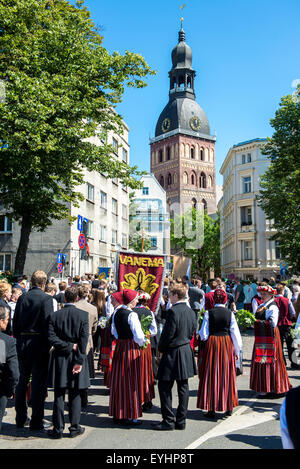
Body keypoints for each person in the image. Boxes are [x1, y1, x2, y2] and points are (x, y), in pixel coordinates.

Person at [13, 270, 54, 430]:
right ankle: (37, 420)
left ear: (31, 281)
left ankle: (20, 417)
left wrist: (20, 338)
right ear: (44, 283)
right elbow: (48, 323)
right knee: (38, 383)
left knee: (22, 381)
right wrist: (49, 343)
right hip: (39, 343)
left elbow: (15, 323)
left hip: (23, 341)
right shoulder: (46, 299)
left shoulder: (23, 298)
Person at [153, 283, 197, 431]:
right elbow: (192, 332)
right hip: (185, 349)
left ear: (176, 296)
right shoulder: (191, 311)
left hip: (173, 351)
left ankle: (168, 420)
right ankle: (181, 420)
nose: (169, 297)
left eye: (170, 295)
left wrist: (161, 348)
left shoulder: (173, 311)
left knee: (164, 386)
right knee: (183, 386)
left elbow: (168, 334)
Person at [47, 286, 90, 439]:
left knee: (59, 394)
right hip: (75, 356)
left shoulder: (55, 315)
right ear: (77, 299)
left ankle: (58, 429)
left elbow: (51, 338)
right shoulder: (83, 315)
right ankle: (74, 427)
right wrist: (77, 357)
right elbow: (83, 340)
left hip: (60, 357)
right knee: (75, 393)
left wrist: (67, 346)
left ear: (65, 298)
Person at [197, 289, 242, 419]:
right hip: (226, 343)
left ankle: (211, 408)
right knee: (226, 374)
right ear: (225, 300)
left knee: (211, 374)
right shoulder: (230, 313)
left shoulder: (208, 313)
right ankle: (228, 406)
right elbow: (235, 333)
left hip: (213, 344)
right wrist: (236, 350)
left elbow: (204, 334)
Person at [108, 289, 147, 426]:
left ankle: (118, 413)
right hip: (131, 349)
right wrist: (143, 343)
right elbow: (139, 336)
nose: (137, 301)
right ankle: (130, 415)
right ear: (131, 301)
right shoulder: (132, 315)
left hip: (120, 348)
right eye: (136, 299)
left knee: (119, 380)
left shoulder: (116, 313)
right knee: (132, 381)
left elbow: (114, 332)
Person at [250, 284, 292, 398]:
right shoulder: (263, 305)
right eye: (261, 294)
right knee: (262, 360)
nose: (262, 296)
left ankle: (274, 388)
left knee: (270, 360)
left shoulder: (273, 307)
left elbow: (273, 323)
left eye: (264, 294)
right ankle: (265, 387)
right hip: (262, 336)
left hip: (270, 336)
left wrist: (256, 323)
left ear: (271, 294)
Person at [133, 291, 157, 412]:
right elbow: (154, 331)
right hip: (145, 343)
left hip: (133, 344)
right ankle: (147, 399)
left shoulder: (132, 312)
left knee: (134, 371)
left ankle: (135, 398)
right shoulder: (150, 312)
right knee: (146, 371)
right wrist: (145, 333)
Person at [0, 306, 19, 431]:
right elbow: (13, 372)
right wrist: (10, 389)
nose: (8, 322)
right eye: (7, 319)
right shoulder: (6, 341)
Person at [76, 285, 98, 382]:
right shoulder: (93, 308)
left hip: (75, 337)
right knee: (86, 362)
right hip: (88, 337)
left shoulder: (75, 306)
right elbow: (94, 327)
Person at [275, 283, 297, 369]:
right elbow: (293, 313)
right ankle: (294, 362)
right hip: (287, 324)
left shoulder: (273, 301)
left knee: (279, 344)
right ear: (283, 291)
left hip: (277, 325)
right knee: (290, 344)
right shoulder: (287, 300)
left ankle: (282, 361)